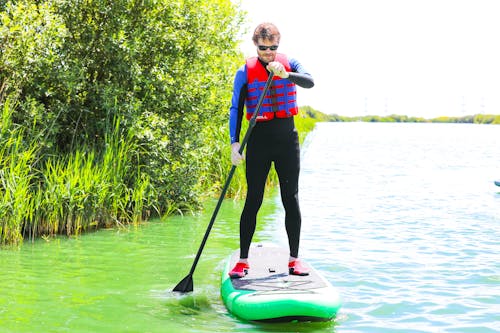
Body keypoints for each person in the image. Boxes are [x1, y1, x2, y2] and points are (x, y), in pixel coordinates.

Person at [228, 22, 314, 278]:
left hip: (287, 140)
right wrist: (234, 143)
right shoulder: (245, 71)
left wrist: (286, 75)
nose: (268, 53)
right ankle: (243, 261)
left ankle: (294, 260)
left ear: (278, 45)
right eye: (264, 48)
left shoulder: (291, 63)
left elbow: (310, 82)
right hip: (259, 141)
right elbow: (236, 108)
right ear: (256, 45)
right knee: (253, 199)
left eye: (273, 48)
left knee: (291, 198)